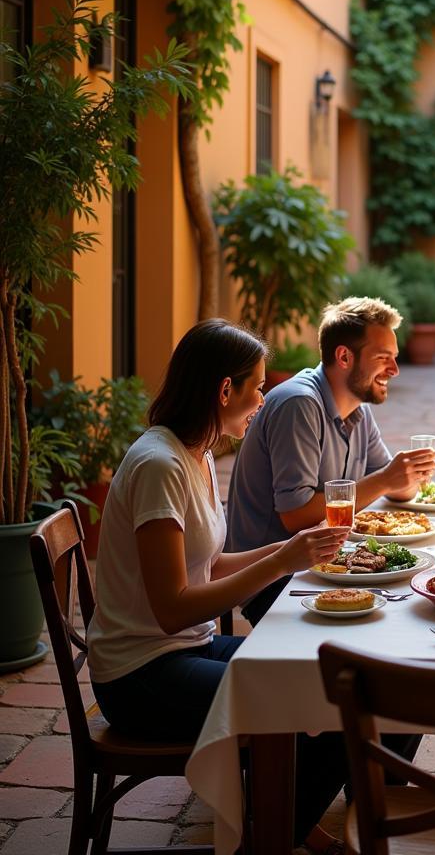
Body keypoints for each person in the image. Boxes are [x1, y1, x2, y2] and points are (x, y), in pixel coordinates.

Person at [87, 319, 350, 855]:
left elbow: (209, 562)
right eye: (256, 384)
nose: (264, 395)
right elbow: (172, 609)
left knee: (329, 669)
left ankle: (281, 819)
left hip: (188, 648)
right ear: (223, 390)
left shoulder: (199, 451)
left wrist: (292, 555)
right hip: (140, 673)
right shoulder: (159, 466)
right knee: (312, 698)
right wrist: (281, 563)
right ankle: (275, 830)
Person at [227, 297, 435, 624]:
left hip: (324, 564)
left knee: (413, 597)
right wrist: (385, 480)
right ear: (343, 357)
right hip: (273, 579)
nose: (394, 370)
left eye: (394, 359)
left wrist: (406, 477)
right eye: (384, 358)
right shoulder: (298, 405)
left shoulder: (358, 408)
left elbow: (391, 486)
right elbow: (296, 516)